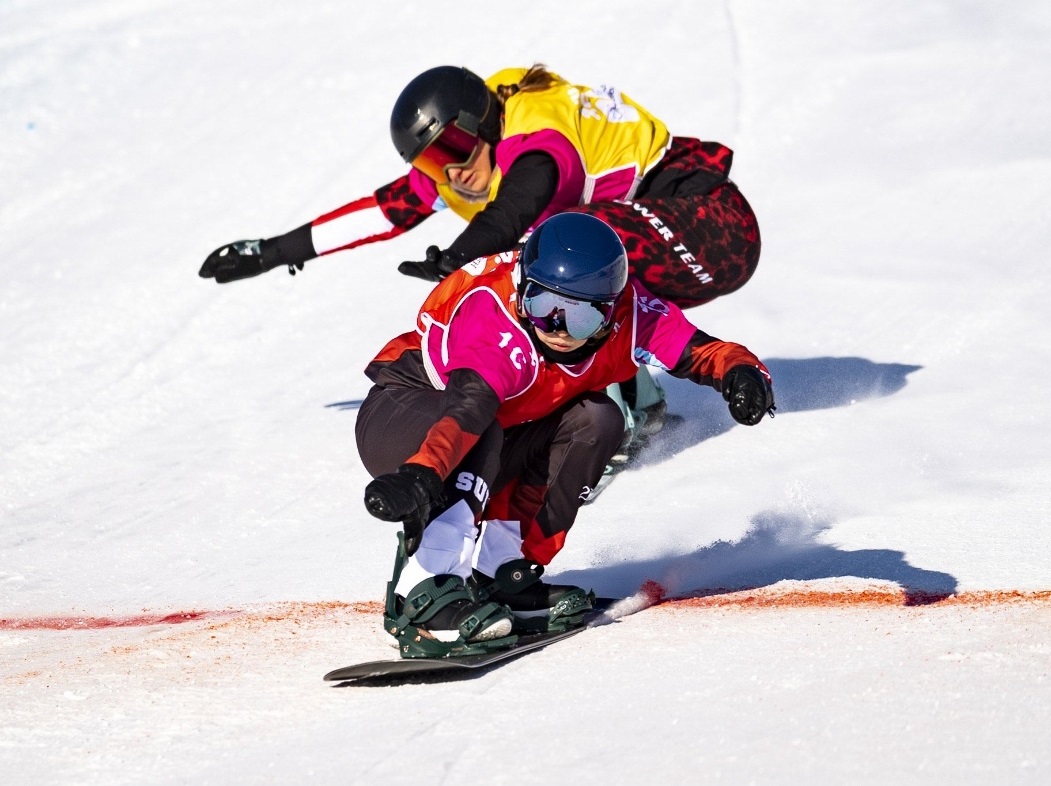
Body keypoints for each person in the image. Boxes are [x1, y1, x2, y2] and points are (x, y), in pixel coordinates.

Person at [198, 64, 763, 460]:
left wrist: (464, 254)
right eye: (431, 163)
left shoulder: (535, 125)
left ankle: (634, 406)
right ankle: (633, 400)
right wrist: (273, 252)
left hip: (711, 223)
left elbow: (525, 194)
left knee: (561, 246)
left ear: (482, 122)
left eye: (451, 152)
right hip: (658, 233)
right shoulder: (468, 147)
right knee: (556, 260)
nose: (451, 172)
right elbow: (389, 208)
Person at [356, 212, 774, 658]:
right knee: (484, 431)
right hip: (406, 414)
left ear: (609, 312)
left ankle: (506, 573)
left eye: (576, 315)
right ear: (521, 288)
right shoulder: (495, 319)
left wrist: (743, 374)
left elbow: (702, 351)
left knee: (599, 419)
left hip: (493, 429)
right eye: (540, 303)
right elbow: (466, 413)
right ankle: (430, 590)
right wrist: (421, 474)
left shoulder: (631, 317)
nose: (554, 326)